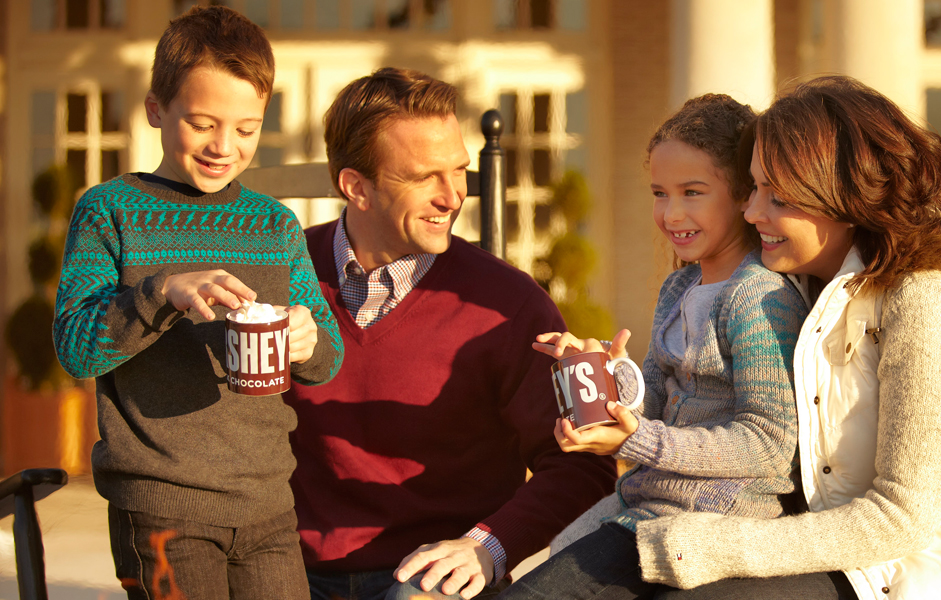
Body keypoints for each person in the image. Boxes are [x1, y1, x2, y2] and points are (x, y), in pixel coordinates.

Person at [624, 76, 941, 600]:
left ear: (846, 198)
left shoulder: (925, 301)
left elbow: (901, 517)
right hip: (843, 557)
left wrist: (717, 546)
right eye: (753, 188)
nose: (751, 212)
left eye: (778, 197)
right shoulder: (802, 287)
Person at [282, 67, 616, 600]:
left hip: (433, 579)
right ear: (357, 187)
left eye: (459, 170)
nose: (453, 196)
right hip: (286, 570)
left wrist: (489, 546)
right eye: (423, 177)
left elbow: (583, 466)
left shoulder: (506, 304)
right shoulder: (279, 275)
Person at [52, 6, 343, 599]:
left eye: (246, 128)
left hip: (268, 507)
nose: (223, 147)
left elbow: (329, 354)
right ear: (156, 110)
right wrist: (159, 293)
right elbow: (76, 350)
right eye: (203, 123)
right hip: (161, 507)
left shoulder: (273, 224)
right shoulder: (109, 211)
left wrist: (308, 339)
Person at [497, 94, 810, 600]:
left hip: (720, 515)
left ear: (741, 195)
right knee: (558, 553)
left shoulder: (759, 297)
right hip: (650, 502)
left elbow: (770, 444)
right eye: (660, 193)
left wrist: (636, 441)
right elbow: (658, 410)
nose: (671, 213)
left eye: (692, 192)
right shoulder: (678, 288)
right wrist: (606, 379)